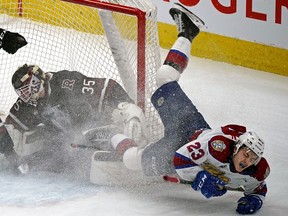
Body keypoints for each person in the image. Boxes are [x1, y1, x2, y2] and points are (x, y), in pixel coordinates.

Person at [102, 3, 270, 215]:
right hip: (185, 132)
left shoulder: (257, 170)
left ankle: (188, 30)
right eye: (246, 153)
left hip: (190, 134)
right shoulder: (217, 147)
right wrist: (199, 178)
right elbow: (180, 158)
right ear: (236, 148)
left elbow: (259, 188)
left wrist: (255, 200)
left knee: (132, 159)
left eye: (252, 158)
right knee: (163, 77)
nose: (247, 161)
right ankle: (188, 32)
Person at [0, 65, 149, 174]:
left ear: (39, 79)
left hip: (101, 125)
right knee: (52, 158)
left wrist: (126, 106)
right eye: (24, 93)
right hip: (73, 141)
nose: (29, 95)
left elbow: (109, 87)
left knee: (91, 136)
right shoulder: (28, 103)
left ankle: (138, 155)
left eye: (31, 88)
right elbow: (8, 128)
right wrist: (9, 153)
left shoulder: (65, 82)